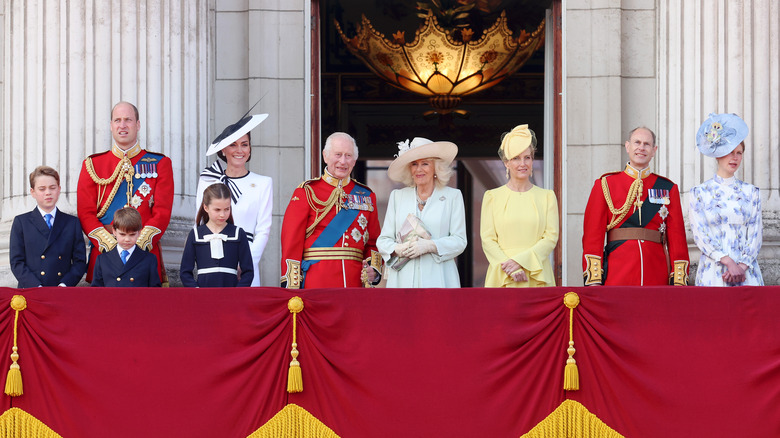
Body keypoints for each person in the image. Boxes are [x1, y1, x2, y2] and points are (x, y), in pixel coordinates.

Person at [77, 101, 174, 285]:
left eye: (128, 120)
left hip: (144, 256)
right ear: (111, 126)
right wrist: (112, 246)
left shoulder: (160, 163)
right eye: (117, 120)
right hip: (104, 256)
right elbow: (85, 213)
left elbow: (162, 213)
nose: (122, 125)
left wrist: (136, 246)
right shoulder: (92, 165)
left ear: (138, 125)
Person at [582, 126, 689, 286]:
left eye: (647, 144)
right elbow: (593, 236)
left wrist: (678, 279)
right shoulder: (606, 184)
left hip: (656, 272)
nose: (641, 147)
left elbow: (677, 238)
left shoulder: (667, 188)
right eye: (637, 142)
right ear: (627, 146)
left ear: (654, 150)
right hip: (618, 273)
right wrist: (594, 280)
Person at [280, 132, 382, 289]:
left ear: (354, 161)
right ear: (325, 156)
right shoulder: (307, 191)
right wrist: (292, 285)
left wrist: (373, 270)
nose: (343, 161)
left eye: (348, 155)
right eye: (338, 155)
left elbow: (374, 242)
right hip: (316, 281)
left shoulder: (367, 195)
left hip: (354, 283)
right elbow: (291, 241)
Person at [376, 137, 467, 288]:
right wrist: (396, 249)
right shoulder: (397, 196)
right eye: (414, 164)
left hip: (439, 280)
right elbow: (383, 240)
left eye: (425, 163)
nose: (419, 169)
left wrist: (431, 246)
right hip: (402, 281)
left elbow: (460, 241)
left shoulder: (453, 196)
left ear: (436, 168)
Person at [196, 113, 272, 286]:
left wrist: (247, 264)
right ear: (223, 150)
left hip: (246, 262)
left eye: (244, 145)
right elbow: (199, 222)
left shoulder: (263, 183)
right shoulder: (208, 180)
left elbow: (263, 229)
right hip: (213, 261)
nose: (239, 150)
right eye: (233, 145)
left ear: (250, 148)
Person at [689, 113, 763, 286]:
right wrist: (728, 262)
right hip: (713, 272)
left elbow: (755, 234)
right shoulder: (700, 193)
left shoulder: (751, 192)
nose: (735, 157)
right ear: (718, 154)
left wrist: (741, 266)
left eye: (739, 153)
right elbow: (700, 234)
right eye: (730, 152)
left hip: (746, 273)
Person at [480, 125, 559, 287]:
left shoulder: (547, 197)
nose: (522, 163)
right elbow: (488, 240)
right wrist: (510, 267)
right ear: (506, 163)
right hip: (502, 275)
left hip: (536, 274)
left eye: (527, 157)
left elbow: (551, 238)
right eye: (516, 158)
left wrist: (521, 262)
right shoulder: (492, 197)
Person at [10, 166, 87, 287]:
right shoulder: (21, 222)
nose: (48, 193)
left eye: (52, 188)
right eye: (42, 189)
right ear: (33, 192)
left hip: (62, 291)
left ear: (59, 189)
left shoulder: (72, 223)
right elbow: (17, 262)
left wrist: (64, 284)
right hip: (31, 291)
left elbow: (80, 261)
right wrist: (36, 286)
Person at [181, 183, 254, 287]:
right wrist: (196, 291)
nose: (222, 215)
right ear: (206, 208)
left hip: (231, 295)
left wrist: (238, 292)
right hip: (203, 295)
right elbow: (185, 272)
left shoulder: (238, 233)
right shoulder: (195, 234)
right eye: (217, 210)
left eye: (227, 209)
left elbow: (248, 271)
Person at [92, 207, 161, 287]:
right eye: (122, 234)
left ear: (139, 233)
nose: (127, 239)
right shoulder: (102, 260)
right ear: (114, 231)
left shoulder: (149, 259)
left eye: (132, 235)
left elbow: (154, 292)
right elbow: (96, 292)